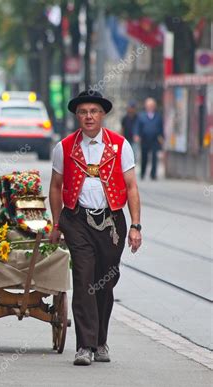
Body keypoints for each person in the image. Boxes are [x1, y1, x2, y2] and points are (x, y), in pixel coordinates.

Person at [49, 90, 142, 366]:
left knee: (106, 280)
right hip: (76, 220)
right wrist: (56, 223)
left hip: (112, 223)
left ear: (102, 115)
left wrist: (136, 225)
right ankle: (85, 346)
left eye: (93, 111)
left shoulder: (120, 145)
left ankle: (100, 340)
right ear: (77, 116)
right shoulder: (63, 147)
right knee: (83, 278)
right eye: (83, 112)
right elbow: (55, 187)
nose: (88, 116)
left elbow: (131, 187)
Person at [133, 97, 164, 180]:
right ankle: (143, 173)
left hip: (155, 139)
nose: (150, 107)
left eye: (152, 105)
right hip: (144, 139)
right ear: (146, 106)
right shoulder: (141, 116)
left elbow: (161, 128)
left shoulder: (158, 116)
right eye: (148, 105)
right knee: (144, 157)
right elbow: (137, 127)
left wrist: (162, 137)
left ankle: (153, 174)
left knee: (154, 157)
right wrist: (136, 135)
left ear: (154, 106)